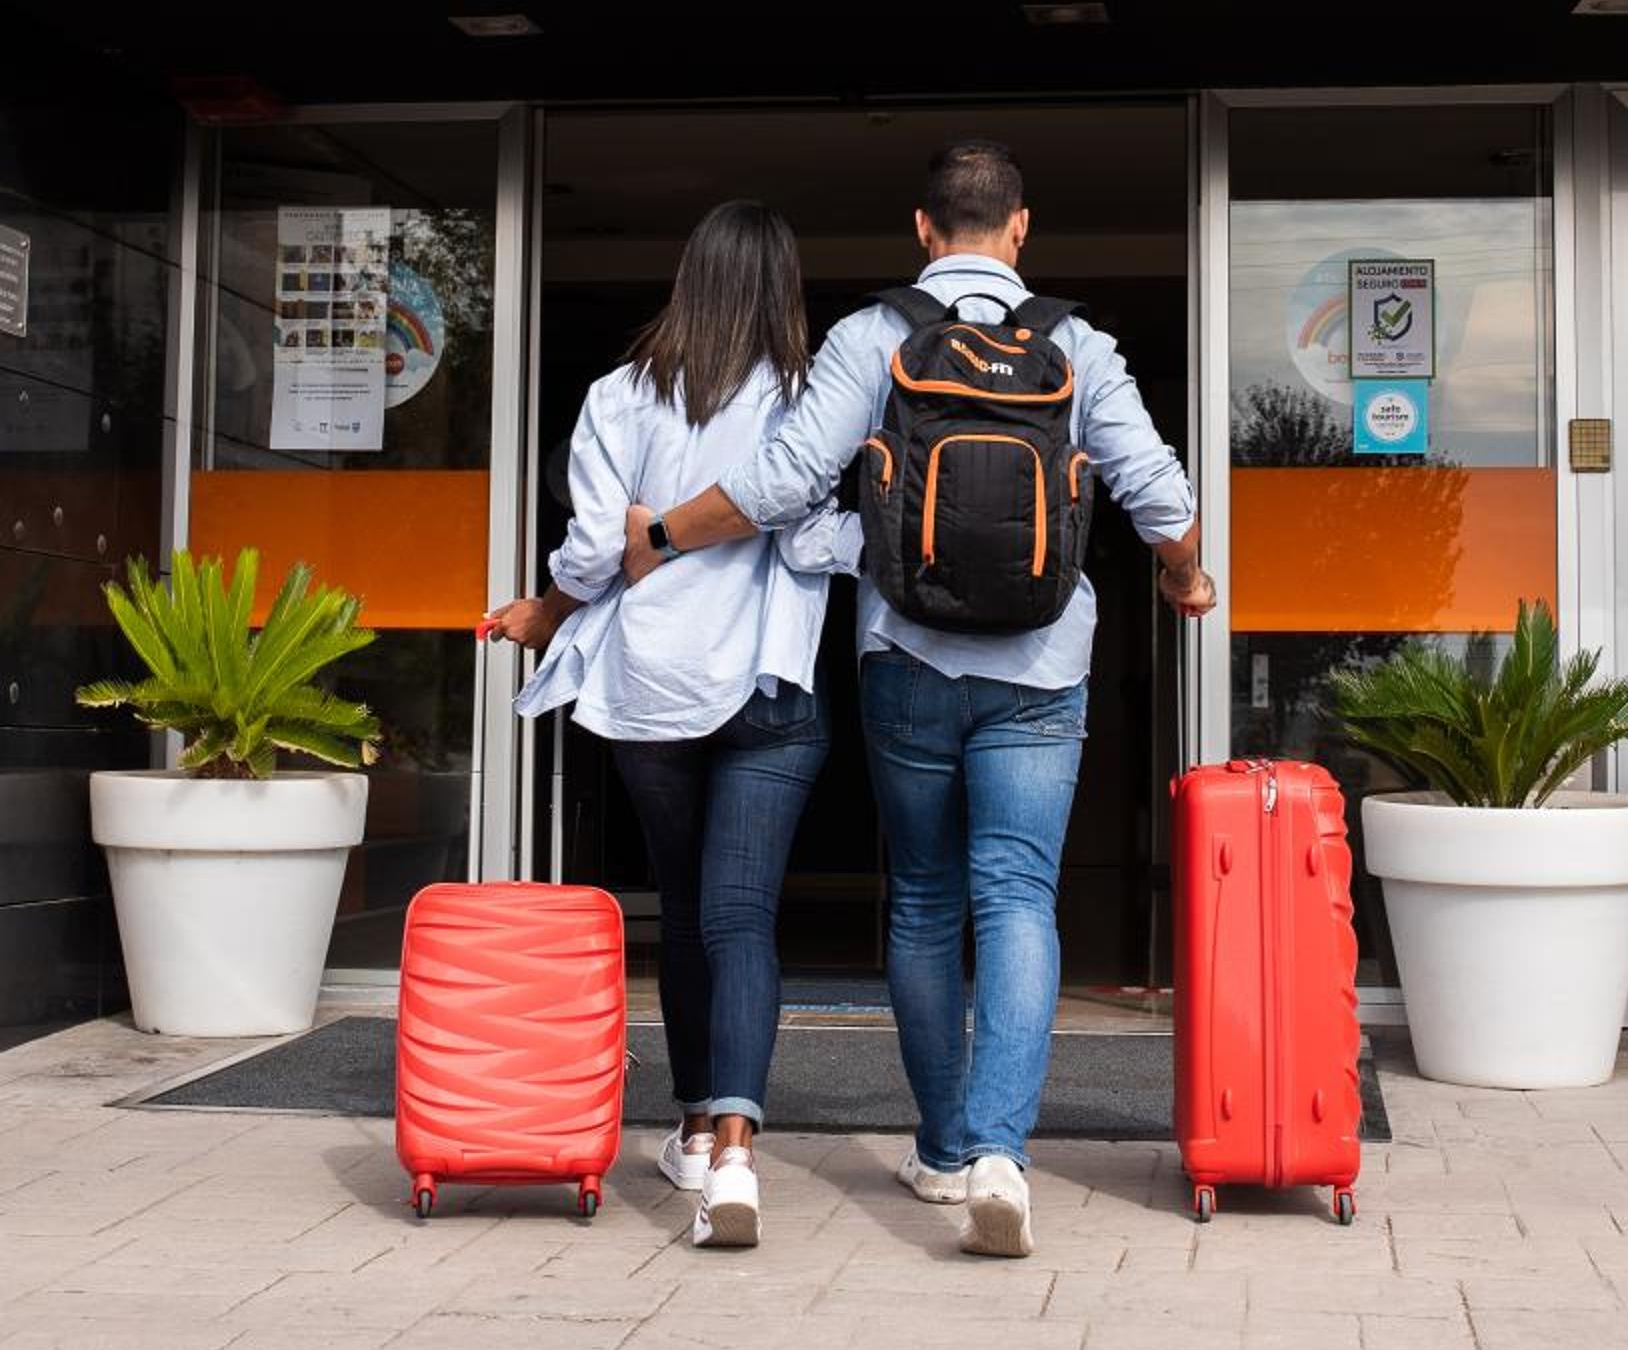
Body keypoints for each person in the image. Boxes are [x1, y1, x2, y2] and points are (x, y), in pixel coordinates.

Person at [625, 140, 1211, 1259]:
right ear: (1021, 228)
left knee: (928, 904)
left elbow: (781, 488)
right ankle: (1000, 1154)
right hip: (1041, 667)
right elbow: (1160, 495)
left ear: (923, 228)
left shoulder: (872, 336)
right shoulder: (1078, 344)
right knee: (1019, 897)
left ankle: (941, 1149)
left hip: (907, 663)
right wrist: (1184, 578)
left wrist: (664, 532)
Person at [484, 199, 856, 1251]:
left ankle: (692, 1128)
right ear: (785, 289)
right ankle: (733, 1154)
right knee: (741, 918)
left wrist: (551, 605)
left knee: (687, 910)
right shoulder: (810, 401)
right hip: (768, 685)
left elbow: (595, 550)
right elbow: (819, 541)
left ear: (689, 278)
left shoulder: (619, 397)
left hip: (649, 687)